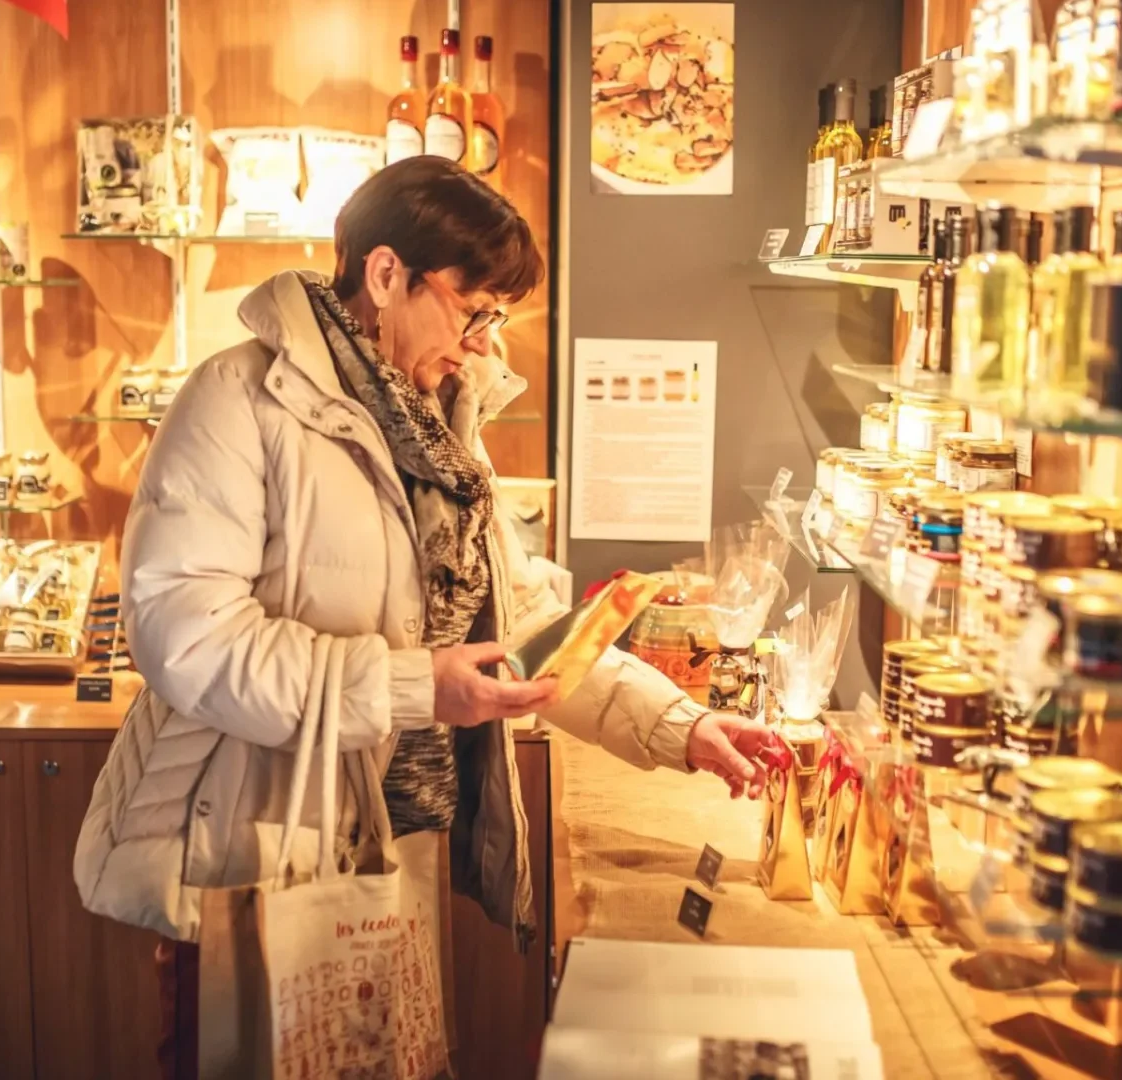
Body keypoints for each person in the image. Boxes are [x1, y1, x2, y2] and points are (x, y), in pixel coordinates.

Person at [74, 156, 788, 1077]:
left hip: (388, 841)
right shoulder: (238, 399)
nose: (484, 342)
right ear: (384, 275)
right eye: (472, 308)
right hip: (253, 846)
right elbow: (188, 640)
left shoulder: (441, 427)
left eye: (498, 315)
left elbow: (527, 628)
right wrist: (413, 687)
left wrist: (680, 728)